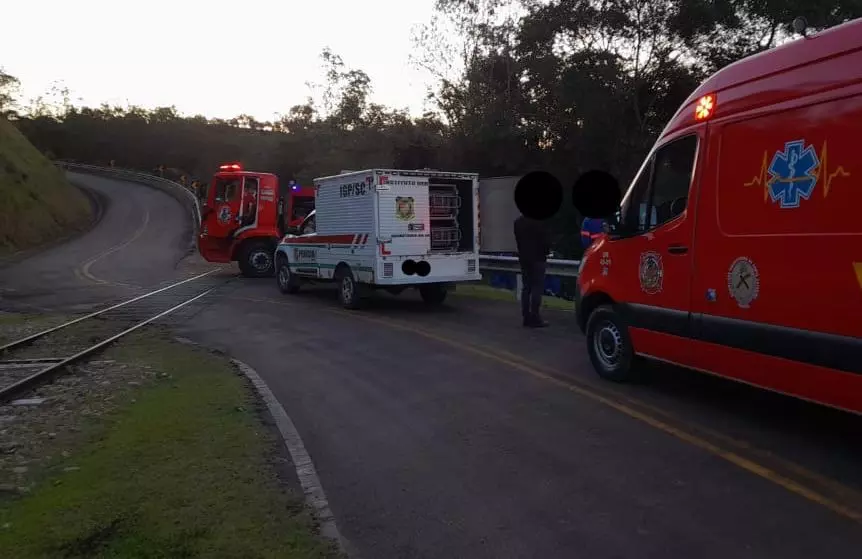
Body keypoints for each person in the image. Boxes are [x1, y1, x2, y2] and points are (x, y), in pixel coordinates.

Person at [514, 214, 551, 328]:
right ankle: (535, 317)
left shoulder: (518, 222)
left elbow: (518, 240)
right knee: (537, 287)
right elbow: (545, 240)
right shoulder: (539, 221)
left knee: (526, 287)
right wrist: (546, 252)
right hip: (538, 258)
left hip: (524, 257)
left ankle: (526, 316)